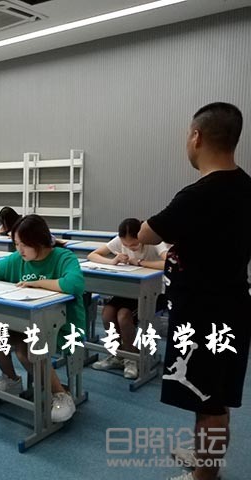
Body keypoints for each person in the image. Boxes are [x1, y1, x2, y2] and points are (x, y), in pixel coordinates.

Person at [138, 102, 251, 480]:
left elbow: (146, 233)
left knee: (209, 401)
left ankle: (205, 474)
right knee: (215, 396)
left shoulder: (198, 195)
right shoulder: (246, 187)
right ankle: (206, 458)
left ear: (197, 137)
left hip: (205, 313)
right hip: (232, 305)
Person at [0, 214, 85, 422]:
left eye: (24, 244)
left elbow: (74, 284)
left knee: (26, 350)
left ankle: (60, 394)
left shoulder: (63, 257)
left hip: (62, 325)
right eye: (16, 244)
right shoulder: (18, 259)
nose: (19, 250)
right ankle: (11, 380)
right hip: (24, 323)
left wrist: (38, 283)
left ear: (39, 241)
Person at [87, 218, 170, 379]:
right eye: (126, 245)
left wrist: (140, 262)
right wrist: (112, 260)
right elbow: (93, 255)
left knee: (123, 316)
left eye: (134, 244)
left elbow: (168, 262)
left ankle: (131, 359)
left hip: (153, 292)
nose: (130, 247)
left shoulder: (153, 241)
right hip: (129, 291)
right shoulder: (119, 240)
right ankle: (117, 355)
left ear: (141, 236)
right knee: (107, 313)